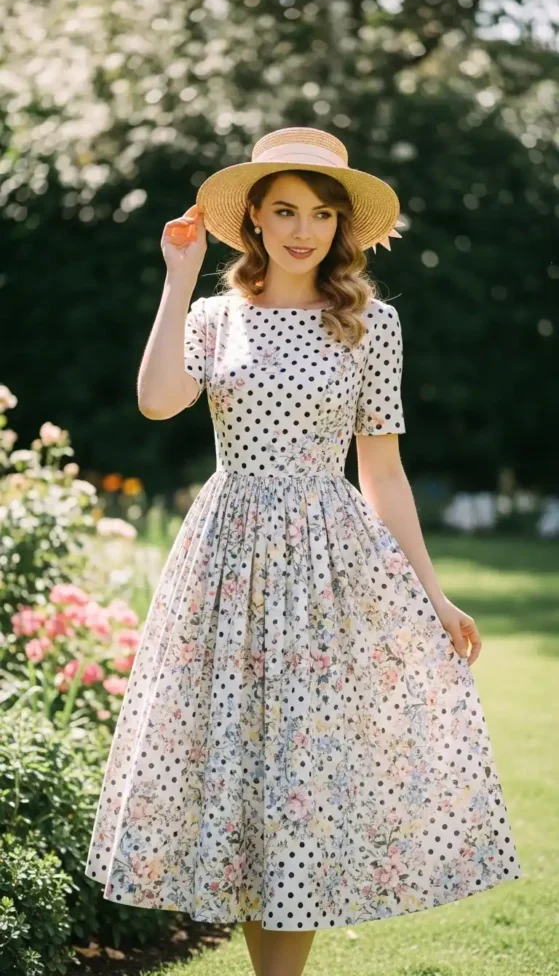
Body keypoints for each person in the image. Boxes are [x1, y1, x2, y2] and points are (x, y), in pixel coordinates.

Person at [84, 127, 522, 976]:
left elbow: (383, 473)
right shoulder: (215, 315)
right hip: (225, 558)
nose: (301, 229)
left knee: (302, 777)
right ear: (250, 216)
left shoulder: (371, 324)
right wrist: (176, 283)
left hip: (328, 567)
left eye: (320, 213)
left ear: (341, 227)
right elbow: (156, 401)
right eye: (283, 209)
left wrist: (432, 596)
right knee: (244, 772)